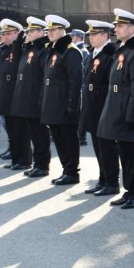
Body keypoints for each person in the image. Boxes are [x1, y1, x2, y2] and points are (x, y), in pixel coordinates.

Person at [98, 9, 134, 207]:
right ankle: (129, 191)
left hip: (129, 109)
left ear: (131, 28)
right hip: (118, 107)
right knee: (125, 154)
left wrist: (132, 114)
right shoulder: (122, 48)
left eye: (119, 26)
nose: (115, 29)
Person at [40, 15, 83, 185]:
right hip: (53, 104)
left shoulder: (70, 52)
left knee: (68, 139)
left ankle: (72, 172)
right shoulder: (54, 50)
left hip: (64, 104)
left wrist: (72, 105)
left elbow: (75, 81)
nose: (49, 33)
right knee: (58, 138)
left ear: (61, 31)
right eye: (48, 30)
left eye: (52, 30)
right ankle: (66, 169)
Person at [80, 20, 120, 197]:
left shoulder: (110, 54)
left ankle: (112, 182)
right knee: (98, 145)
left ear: (105, 35)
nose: (91, 37)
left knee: (107, 146)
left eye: (94, 34)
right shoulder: (93, 53)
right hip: (92, 106)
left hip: (104, 104)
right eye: (89, 34)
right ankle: (103, 179)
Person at [0, 19, 32, 170]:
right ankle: (15, 158)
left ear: (17, 35)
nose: (4, 37)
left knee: (20, 129)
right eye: (3, 34)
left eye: (8, 34)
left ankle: (24, 160)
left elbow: (18, 54)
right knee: (11, 129)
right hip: (4, 91)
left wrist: (19, 40)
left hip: (16, 90)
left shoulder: (20, 49)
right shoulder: (4, 50)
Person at [11, 17, 51, 177]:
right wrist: (21, 37)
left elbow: (43, 76)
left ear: (42, 32)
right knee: (34, 133)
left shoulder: (43, 49)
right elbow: (15, 57)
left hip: (36, 97)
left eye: (33, 31)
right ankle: (37, 163)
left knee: (40, 134)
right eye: (28, 31)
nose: (30, 34)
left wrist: (42, 98)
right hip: (26, 96)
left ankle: (43, 165)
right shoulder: (30, 48)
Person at [71, 28, 90, 147]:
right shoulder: (80, 50)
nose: (72, 38)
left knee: (81, 111)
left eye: (73, 36)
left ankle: (82, 137)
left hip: (82, 84)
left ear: (78, 37)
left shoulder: (82, 51)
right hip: (81, 84)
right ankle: (81, 136)